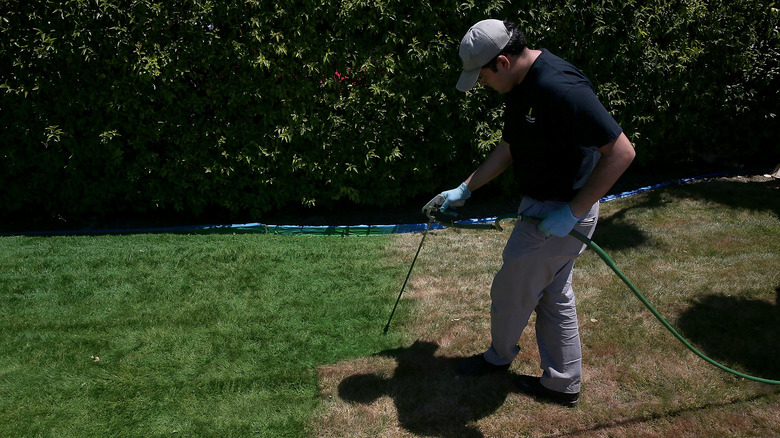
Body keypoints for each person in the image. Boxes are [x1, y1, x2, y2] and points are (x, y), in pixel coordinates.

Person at [436, 19, 636, 407]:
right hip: (541, 205)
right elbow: (510, 147)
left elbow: (622, 152)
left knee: (511, 289)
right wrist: (465, 188)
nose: (481, 85)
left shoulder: (561, 88)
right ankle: (563, 383)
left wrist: (573, 212)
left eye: (482, 77)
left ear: (503, 62)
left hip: (560, 213)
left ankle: (498, 358)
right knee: (554, 294)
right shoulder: (519, 85)